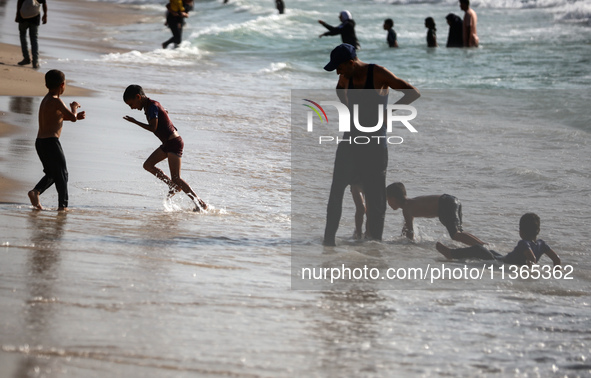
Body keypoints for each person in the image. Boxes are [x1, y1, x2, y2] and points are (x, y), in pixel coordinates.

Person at [322, 44, 420, 246]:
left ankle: (373, 247)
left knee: (376, 201)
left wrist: (387, 114)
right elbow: (340, 90)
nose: (338, 72)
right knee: (336, 192)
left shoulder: (377, 73)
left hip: (375, 146)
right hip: (349, 142)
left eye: (339, 67)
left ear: (351, 62)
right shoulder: (345, 77)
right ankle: (328, 242)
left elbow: (412, 93)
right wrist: (347, 107)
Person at [122, 85, 207, 212]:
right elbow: (163, 112)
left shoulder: (151, 106)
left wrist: (135, 122)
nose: (132, 108)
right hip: (167, 144)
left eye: (131, 104)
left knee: (177, 177)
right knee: (148, 165)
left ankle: (200, 203)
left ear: (138, 97)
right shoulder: (151, 106)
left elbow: (153, 128)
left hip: (174, 143)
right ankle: (173, 186)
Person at [28, 70, 86, 211]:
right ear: (62, 85)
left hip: (40, 142)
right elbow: (71, 118)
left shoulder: (46, 99)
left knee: (53, 173)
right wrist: (74, 108)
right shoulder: (56, 100)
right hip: (51, 142)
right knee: (62, 173)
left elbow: (57, 118)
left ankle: (36, 191)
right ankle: (63, 206)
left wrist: (75, 116)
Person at [436, 213, 561, 267]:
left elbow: (532, 258)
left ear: (521, 232)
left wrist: (529, 271)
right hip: (503, 258)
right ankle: (455, 252)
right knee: (486, 249)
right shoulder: (542, 244)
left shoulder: (523, 243)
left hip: (502, 263)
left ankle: (451, 254)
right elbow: (556, 259)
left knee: (478, 249)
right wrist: (556, 272)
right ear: (538, 231)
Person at [386, 182, 484, 246]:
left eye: (387, 200)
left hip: (446, 203)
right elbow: (407, 228)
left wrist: (403, 245)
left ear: (393, 199)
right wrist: (400, 239)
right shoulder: (410, 205)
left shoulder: (407, 208)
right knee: (458, 233)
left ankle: (482, 246)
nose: (388, 203)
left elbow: (409, 234)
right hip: (452, 200)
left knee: (455, 235)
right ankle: (481, 245)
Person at [15, 0, 47, 69]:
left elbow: (19, 2)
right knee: (34, 38)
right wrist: (45, 15)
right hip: (35, 18)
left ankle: (26, 58)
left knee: (23, 36)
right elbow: (44, 3)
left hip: (23, 17)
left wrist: (17, 14)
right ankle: (35, 61)